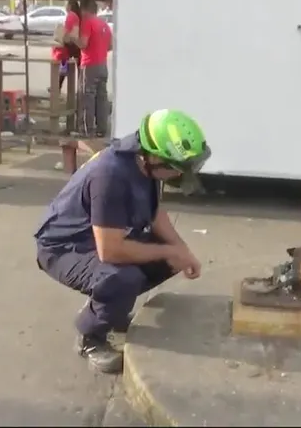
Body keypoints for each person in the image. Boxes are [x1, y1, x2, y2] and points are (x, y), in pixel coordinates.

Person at [34, 109, 212, 374]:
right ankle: (90, 336)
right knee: (121, 277)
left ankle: (110, 308)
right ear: (153, 157)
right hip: (63, 248)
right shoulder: (111, 175)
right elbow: (110, 250)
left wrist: (181, 251)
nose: (178, 176)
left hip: (98, 238)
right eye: (176, 169)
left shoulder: (143, 164)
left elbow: (154, 213)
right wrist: (167, 249)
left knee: (169, 257)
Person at [76, 0, 113, 136]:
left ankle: (87, 130)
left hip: (89, 64)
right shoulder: (104, 24)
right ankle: (102, 129)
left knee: (87, 97)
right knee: (101, 98)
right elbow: (110, 46)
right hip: (102, 65)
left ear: (84, 10)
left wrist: (73, 38)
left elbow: (83, 43)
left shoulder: (87, 22)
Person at [49, 0, 81, 93]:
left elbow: (66, 31)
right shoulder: (77, 15)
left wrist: (61, 39)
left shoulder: (71, 15)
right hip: (76, 45)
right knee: (79, 67)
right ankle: (80, 88)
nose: (65, 7)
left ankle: (57, 86)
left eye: (66, 4)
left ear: (70, 6)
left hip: (70, 44)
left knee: (64, 63)